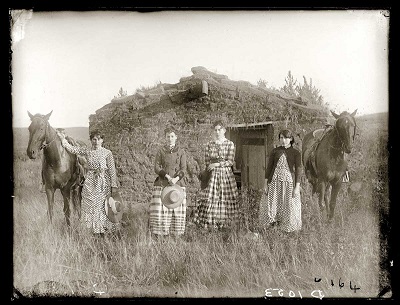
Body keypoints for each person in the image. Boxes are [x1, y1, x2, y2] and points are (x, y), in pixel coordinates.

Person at [56, 129, 121, 236]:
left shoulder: (107, 153)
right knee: (90, 205)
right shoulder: (87, 151)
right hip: (90, 182)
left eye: (98, 139)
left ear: (102, 140)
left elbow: (112, 170)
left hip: (102, 182)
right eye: (93, 139)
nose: (96, 142)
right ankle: (94, 232)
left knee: (101, 206)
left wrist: (113, 185)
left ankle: (103, 231)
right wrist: (63, 139)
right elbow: (72, 149)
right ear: (91, 140)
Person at [194, 120, 239, 230]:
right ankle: (211, 223)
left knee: (225, 197)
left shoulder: (230, 144)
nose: (217, 132)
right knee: (211, 197)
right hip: (212, 175)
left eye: (220, 129)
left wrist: (217, 164)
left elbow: (230, 161)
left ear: (224, 130)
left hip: (225, 175)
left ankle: (226, 224)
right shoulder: (209, 144)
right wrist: (211, 166)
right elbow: (206, 160)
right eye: (216, 130)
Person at [259, 129, 302, 233]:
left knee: (288, 204)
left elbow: (298, 171)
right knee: (272, 203)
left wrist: (297, 187)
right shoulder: (275, 151)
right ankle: (272, 225)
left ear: (291, 139)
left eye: (286, 138)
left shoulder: (296, 153)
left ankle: (287, 228)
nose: (283, 140)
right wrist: (265, 184)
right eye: (281, 138)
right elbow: (269, 168)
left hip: (288, 183)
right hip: (274, 182)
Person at [149, 127, 187, 238]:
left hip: (177, 183)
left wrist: (175, 179)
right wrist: (167, 176)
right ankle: (160, 235)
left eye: (172, 136)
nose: (170, 139)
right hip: (163, 182)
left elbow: (183, 168)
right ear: (165, 138)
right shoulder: (161, 151)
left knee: (176, 206)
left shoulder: (181, 152)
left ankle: (176, 235)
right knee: (161, 210)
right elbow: (156, 167)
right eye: (168, 136)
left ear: (176, 137)